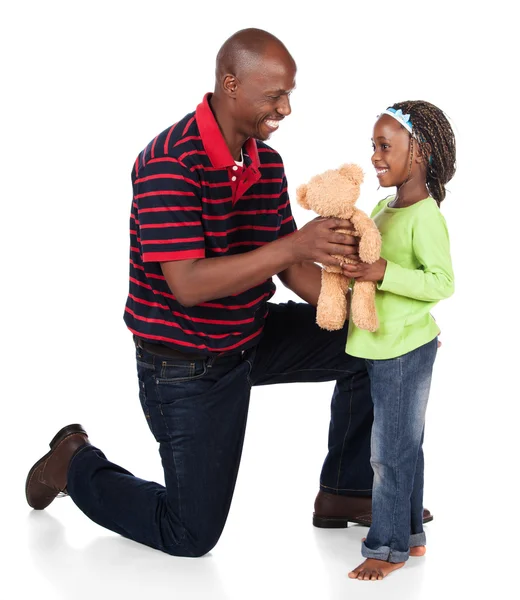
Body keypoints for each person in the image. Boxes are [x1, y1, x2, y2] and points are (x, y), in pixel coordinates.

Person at [25, 28, 428, 557]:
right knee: (190, 534)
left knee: (378, 349)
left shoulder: (267, 164)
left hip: (250, 334)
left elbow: (294, 274)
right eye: (273, 95)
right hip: (186, 365)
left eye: (290, 94)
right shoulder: (169, 163)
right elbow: (188, 284)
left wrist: (391, 324)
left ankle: (345, 491)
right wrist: (291, 247)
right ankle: (74, 463)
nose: (285, 107)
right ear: (230, 84)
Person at [343, 101, 456, 580]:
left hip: (405, 349)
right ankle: (409, 534)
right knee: (404, 444)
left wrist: (383, 271)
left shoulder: (425, 215)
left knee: (388, 452)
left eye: (385, 146)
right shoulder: (383, 208)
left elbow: (441, 282)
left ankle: (385, 547)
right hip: (377, 346)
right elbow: (369, 268)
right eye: (373, 146)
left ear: (421, 152)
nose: (375, 156)